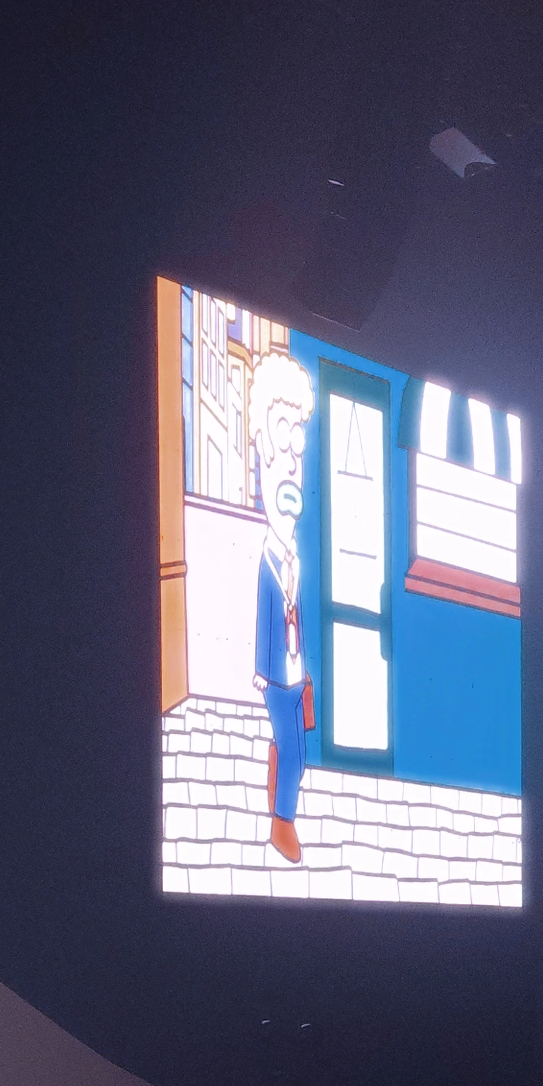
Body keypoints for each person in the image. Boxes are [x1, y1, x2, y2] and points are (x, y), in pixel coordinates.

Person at [250, 351, 316, 864]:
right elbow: (265, 618)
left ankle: (278, 794)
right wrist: (260, 670)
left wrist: (305, 669)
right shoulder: (268, 564)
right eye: (281, 437)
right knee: (292, 749)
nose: (293, 459)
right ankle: (282, 825)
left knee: (299, 749)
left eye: (300, 442)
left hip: (295, 674)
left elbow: (297, 617)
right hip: (276, 677)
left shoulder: (293, 560)